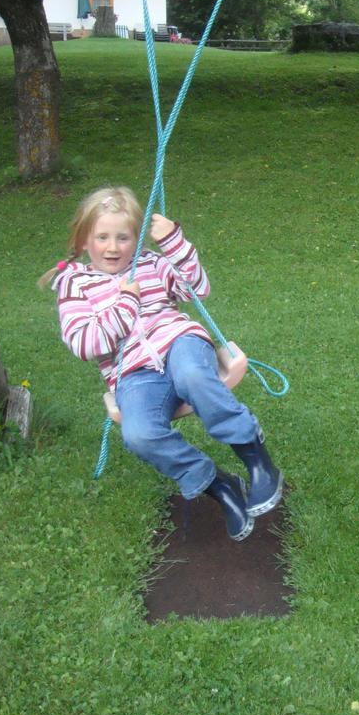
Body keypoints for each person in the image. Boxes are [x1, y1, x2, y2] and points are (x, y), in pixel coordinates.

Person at [39, 186, 282, 542]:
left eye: (123, 237)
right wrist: (125, 303)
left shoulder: (152, 265)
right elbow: (85, 343)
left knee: (193, 375)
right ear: (82, 241)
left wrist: (174, 244)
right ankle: (219, 485)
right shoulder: (74, 285)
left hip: (179, 343)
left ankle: (256, 458)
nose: (112, 247)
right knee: (139, 434)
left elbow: (199, 289)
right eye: (102, 237)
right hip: (133, 372)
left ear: (137, 240)